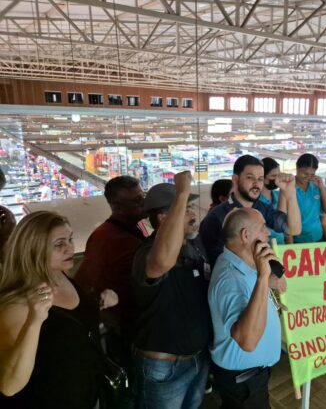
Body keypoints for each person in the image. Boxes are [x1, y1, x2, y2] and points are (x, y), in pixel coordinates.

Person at [0, 211, 117, 408]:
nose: (70, 248)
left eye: (70, 239)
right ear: (33, 249)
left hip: (88, 395)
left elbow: (66, 323)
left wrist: (98, 302)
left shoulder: (62, 277)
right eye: (59, 244)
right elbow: (9, 386)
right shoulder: (16, 305)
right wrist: (34, 320)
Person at [131, 172, 212, 409]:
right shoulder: (146, 254)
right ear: (164, 218)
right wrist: (182, 192)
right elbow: (162, 262)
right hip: (164, 367)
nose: (193, 214)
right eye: (186, 208)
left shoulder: (195, 243)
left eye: (192, 207)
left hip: (197, 358)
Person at [208, 207, 286, 409]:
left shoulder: (243, 264)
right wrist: (263, 278)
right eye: (263, 228)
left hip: (252, 375)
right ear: (246, 235)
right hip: (243, 381)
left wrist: (267, 284)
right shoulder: (228, 279)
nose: (268, 233)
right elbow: (247, 341)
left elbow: (249, 301)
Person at [74, 176, 147, 375]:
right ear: (117, 207)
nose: (144, 203)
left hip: (138, 323)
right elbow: (84, 284)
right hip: (123, 329)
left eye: (143, 196)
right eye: (137, 200)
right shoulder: (104, 238)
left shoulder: (135, 228)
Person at [200, 155, 301, 267]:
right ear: (235, 179)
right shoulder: (217, 217)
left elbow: (293, 229)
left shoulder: (262, 208)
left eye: (260, 179)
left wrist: (290, 194)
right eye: (250, 177)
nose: (256, 184)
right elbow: (215, 263)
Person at [293, 154, 326, 243]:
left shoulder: (316, 186)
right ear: (297, 168)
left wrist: (322, 188)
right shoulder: (289, 187)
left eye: (312, 174)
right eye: (305, 174)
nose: (308, 177)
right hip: (298, 240)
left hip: (318, 237)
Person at [259, 157, 285, 245]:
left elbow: (285, 221)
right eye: (274, 176)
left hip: (282, 245)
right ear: (263, 178)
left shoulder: (279, 195)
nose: (278, 180)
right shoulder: (256, 202)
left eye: (279, 175)